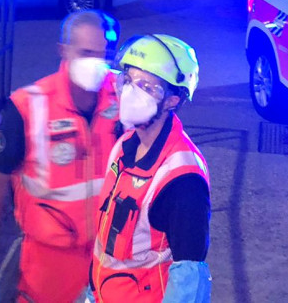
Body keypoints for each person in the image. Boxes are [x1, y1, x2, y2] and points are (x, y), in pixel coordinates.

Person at [0, 10, 122, 303]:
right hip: (50, 265)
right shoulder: (28, 105)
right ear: (63, 50)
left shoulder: (124, 96)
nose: (97, 64)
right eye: (86, 53)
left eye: (105, 55)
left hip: (110, 259)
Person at [88, 35, 211, 303]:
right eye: (128, 81)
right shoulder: (124, 146)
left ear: (172, 100)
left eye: (146, 86)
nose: (130, 92)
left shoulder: (183, 180)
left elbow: (189, 284)